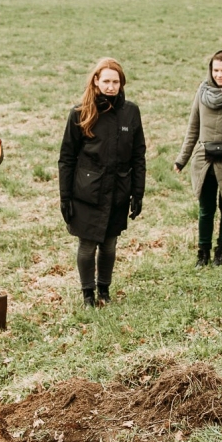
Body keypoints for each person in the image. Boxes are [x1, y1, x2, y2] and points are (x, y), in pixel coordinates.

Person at [58, 58, 146, 307]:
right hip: (87, 192)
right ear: (96, 81)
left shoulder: (131, 112)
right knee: (87, 246)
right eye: (106, 81)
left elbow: (139, 155)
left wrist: (137, 193)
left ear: (121, 84)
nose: (110, 86)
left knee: (109, 245)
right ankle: (87, 294)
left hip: (118, 190)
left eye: (115, 82)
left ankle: (104, 290)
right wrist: (65, 197)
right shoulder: (80, 113)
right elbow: (66, 158)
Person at [174, 50, 222, 267]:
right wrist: (181, 159)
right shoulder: (202, 92)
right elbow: (193, 128)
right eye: (216, 70)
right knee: (206, 210)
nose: (219, 75)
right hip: (204, 160)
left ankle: (221, 250)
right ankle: (202, 252)